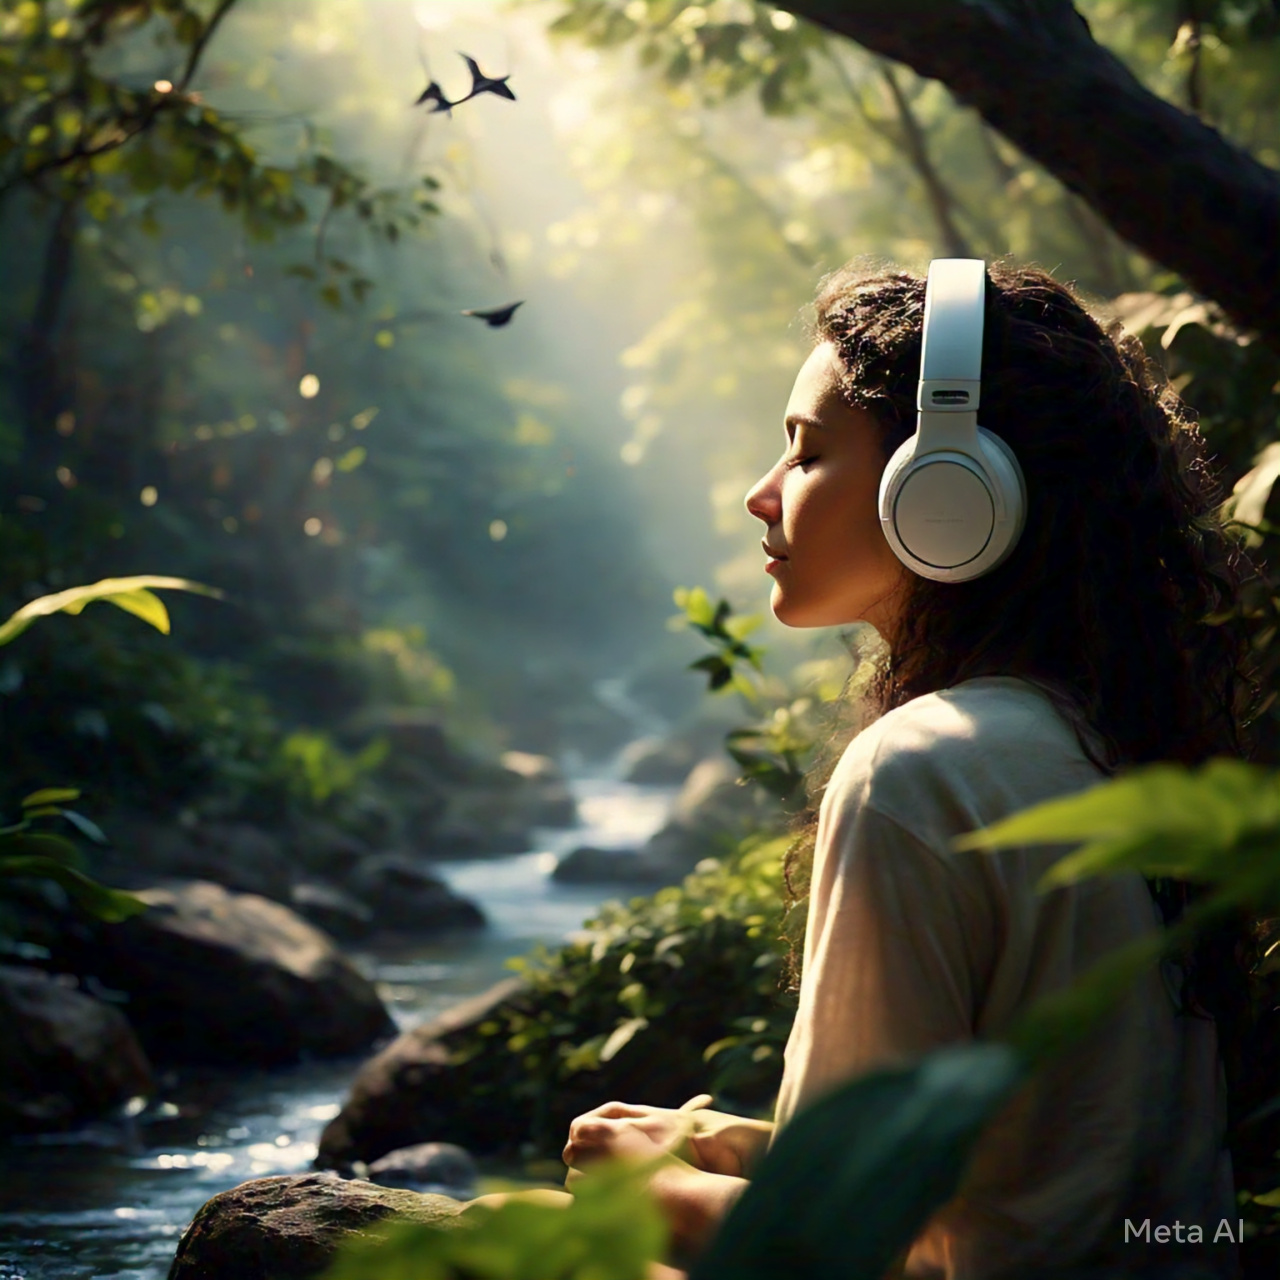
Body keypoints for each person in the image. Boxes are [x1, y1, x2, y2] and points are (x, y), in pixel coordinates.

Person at [558, 258, 1261, 1279]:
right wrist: (739, 1147)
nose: (762, 493)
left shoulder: (918, 771)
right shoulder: (1107, 741)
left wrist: (642, 1177)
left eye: (802, 454)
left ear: (941, 491)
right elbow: (1063, 1178)